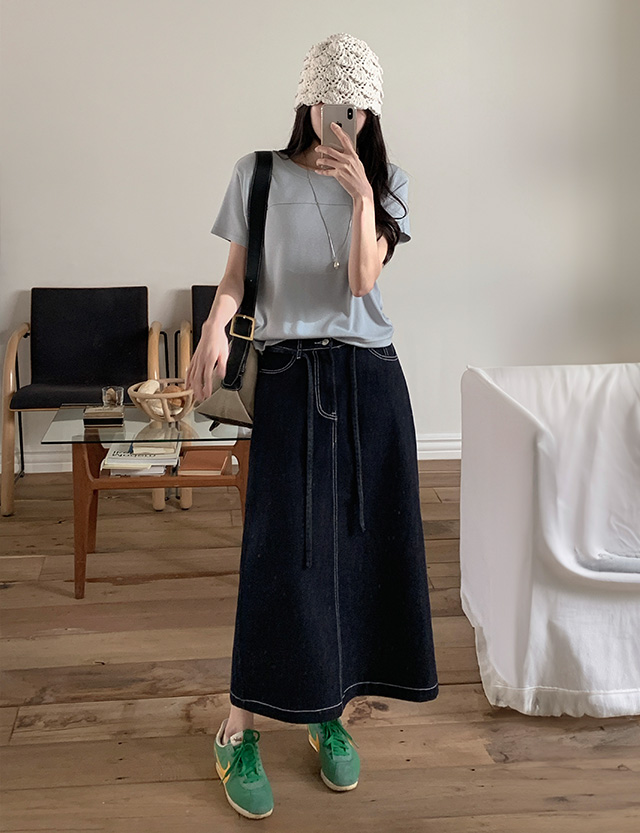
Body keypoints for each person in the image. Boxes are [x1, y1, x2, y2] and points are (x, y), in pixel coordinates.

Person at [186, 32, 439, 820]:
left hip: (371, 382)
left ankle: (328, 710)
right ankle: (237, 728)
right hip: (292, 379)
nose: (346, 117)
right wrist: (213, 326)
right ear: (309, 100)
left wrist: (362, 197)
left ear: (372, 111)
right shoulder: (256, 174)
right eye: (336, 101)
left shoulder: (390, 184)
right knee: (281, 555)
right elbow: (236, 279)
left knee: (357, 554)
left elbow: (362, 280)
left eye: (360, 106)